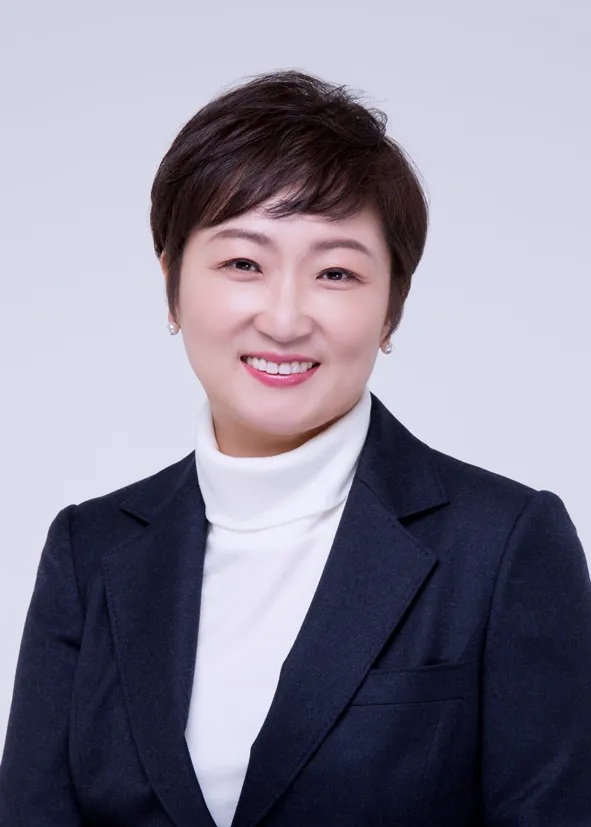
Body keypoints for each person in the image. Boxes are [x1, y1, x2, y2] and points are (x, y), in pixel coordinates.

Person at [0, 68, 590, 827]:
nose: (284, 319)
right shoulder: (89, 550)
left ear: (391, 307)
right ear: (172, 282)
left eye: (335, 272)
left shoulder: (503, 545)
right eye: (243, 263)